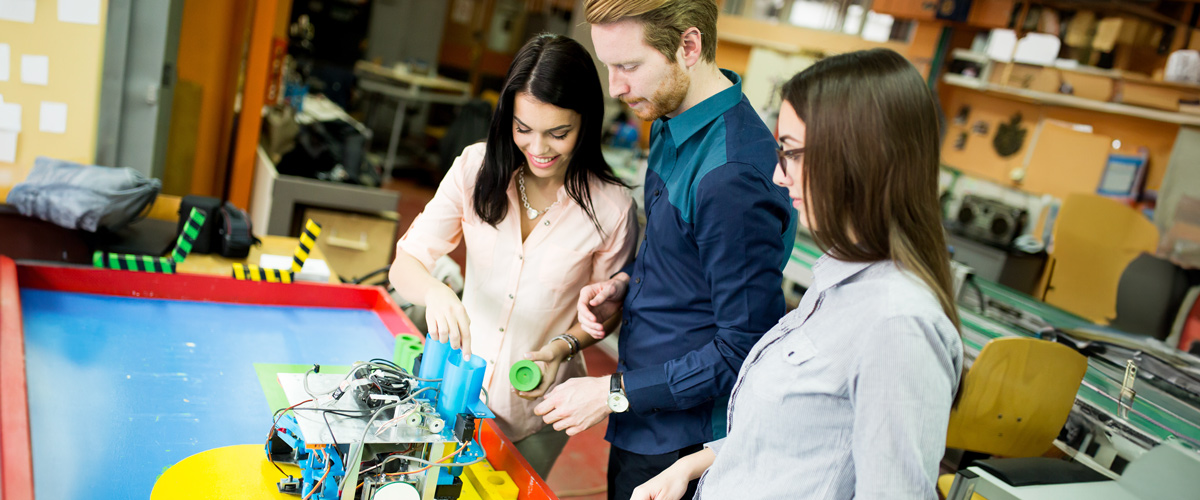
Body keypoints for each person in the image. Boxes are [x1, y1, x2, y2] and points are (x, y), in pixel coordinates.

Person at [630, 48, 965, 500]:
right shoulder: (839, 281)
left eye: (788, 152)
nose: (778, 175)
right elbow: (804, 439)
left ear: (856, 157)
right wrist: (694, 465)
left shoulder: (898, 324)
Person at [532, 1, 796, 498]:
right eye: (609, 66)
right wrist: (626, 284)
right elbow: (683, 259)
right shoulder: (673, 121)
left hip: (682, 442)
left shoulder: (730, 175)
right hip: (645, 412)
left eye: (629, 67)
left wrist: (613, 393)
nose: (615, 88)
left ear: (689, 47)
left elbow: (744, 348)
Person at [388, 34, 638, 478]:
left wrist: (562, 349)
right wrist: (437, 293)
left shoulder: (612, 208)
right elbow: (406, 263)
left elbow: (605, 312)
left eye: (558, 133)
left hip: (536, 413)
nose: (539, 148)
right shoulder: (474, 169)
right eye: (523, 129)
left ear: (586, 121)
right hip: (450, 392)